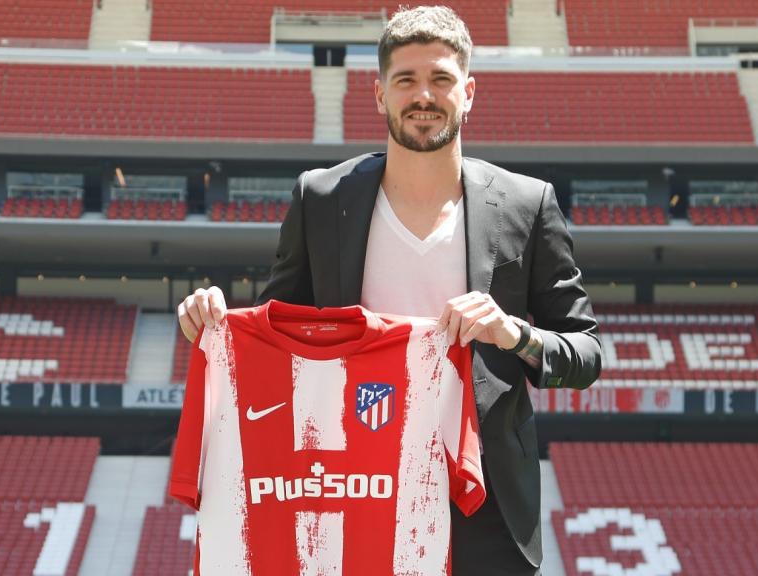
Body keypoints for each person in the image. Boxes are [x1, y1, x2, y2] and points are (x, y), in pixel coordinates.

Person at [177, 6, 601, 574]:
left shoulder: (528, 204)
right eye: (406, 80)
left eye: (441, 79)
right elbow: (275, 330)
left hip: (483, 499)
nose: (423, 96)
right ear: (379, 94)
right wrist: (215, 320)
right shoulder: (321, 199)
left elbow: (586, 353)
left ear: (469, 92)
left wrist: (514, 334)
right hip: (355, 486)